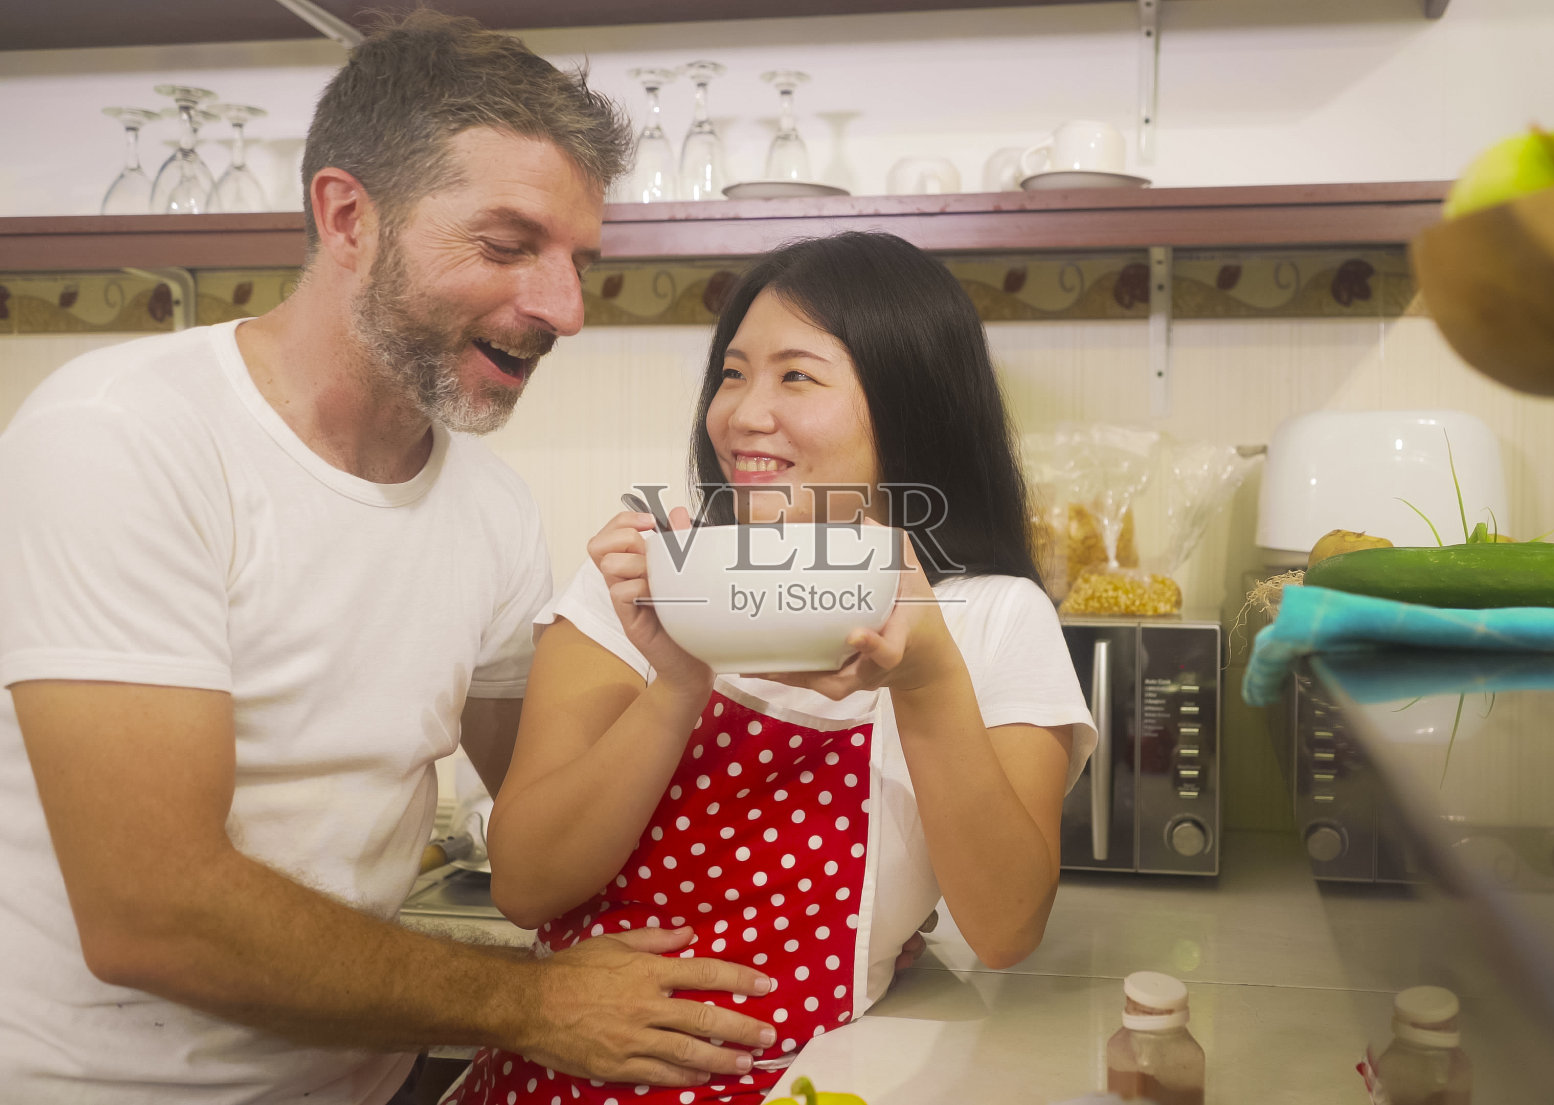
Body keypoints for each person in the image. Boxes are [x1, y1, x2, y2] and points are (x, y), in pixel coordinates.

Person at [0, 13, 778, 1104]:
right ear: (348, 217)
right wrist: (536, 1002)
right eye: (507, 246)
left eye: (578, 261)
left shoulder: (489, 507)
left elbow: (546, 832)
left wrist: (722, 657)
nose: (565, 309)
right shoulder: (122, 436)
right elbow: (152, 912)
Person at [449, 231, 1099, 1105]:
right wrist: (679, 680)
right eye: (732, 373)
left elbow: (1006, 928)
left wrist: (927, 678)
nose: (743, 413)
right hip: (554, 1083)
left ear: (909, 400)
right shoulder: (637, 583)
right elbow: (526, 886)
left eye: (796, 375)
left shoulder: (989, 619)